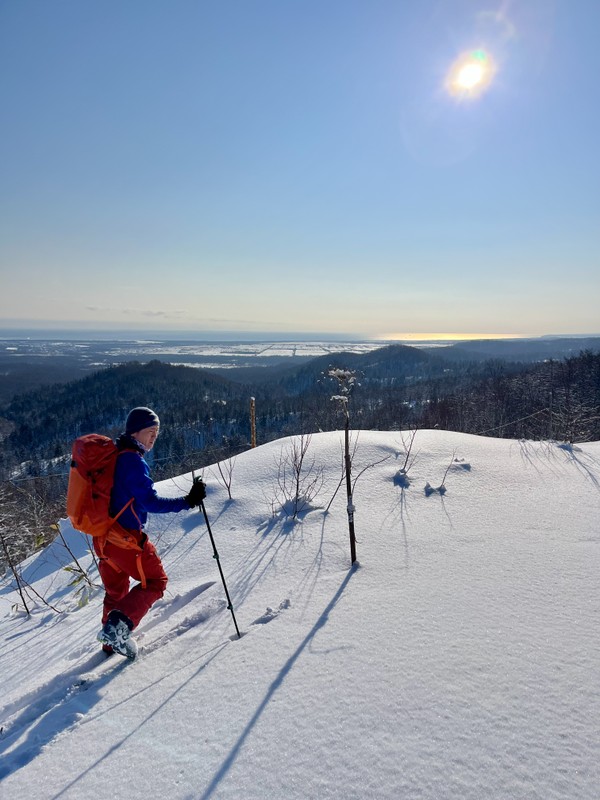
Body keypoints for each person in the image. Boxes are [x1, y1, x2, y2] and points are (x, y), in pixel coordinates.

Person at [96, 406, 206, 658]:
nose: (154, 436)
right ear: (134, 432)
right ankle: (117, 629)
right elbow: (149, 502)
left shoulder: (115, 456)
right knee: (156, 581)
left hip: (103, 540)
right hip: (125, 540)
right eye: (150, 431)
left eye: (157, 431)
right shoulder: (132, 461)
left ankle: (110, 642)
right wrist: (187, 501)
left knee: (116, 591)